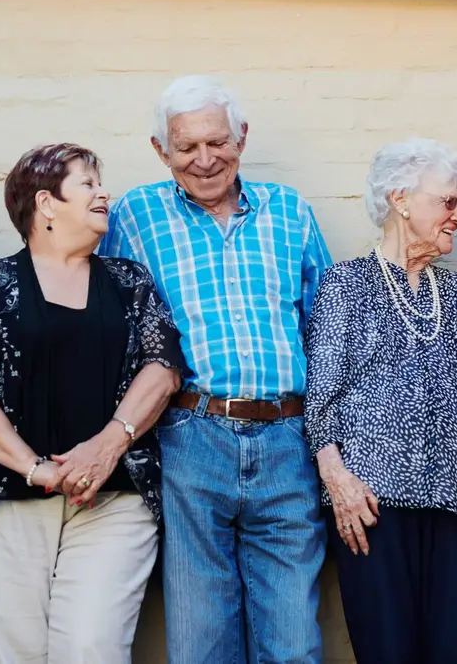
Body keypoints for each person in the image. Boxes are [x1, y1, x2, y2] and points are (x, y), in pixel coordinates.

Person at [99, 75, 332, 663]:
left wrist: (329, 443)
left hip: (287, 438)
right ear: (161, 151)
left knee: (294, 643)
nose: (204, 160)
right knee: (201, 640)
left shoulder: (290, 211)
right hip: (189, 437)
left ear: (242, 138)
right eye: (186, 147)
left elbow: (326, 332)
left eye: (217, 142)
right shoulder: (135, 215)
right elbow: (110, 327)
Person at [0, 143, 184, 663]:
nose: (103, 193)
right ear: (46, 204)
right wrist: (36, 468)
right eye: (88, 184)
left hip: (114, 498)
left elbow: (162, 371)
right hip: (10, 498)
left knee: (93, 648)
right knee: (13, 652)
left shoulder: (128, 281)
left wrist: (107, 446)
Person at [305, 138, 457, 664]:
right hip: (372, 506)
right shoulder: (348, 284)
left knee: (455, 653)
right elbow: (322, 400)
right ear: (401, 199)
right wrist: (338, 484)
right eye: (447, 202)